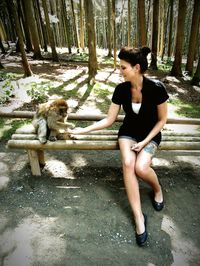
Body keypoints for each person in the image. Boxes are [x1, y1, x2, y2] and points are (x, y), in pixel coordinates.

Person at [69, 46, 169, 246]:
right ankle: (139, 217)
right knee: (127, 163)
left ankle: (157, 190)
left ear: (137, 68)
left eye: (123, 67)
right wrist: (82, 131)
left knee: (141, 168)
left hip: (150, 136)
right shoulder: (121, 89)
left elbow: (162, 121)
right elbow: (109, 120)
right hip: (128, 133)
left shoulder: (157, 88)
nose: (119, 71)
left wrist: (144, 142)